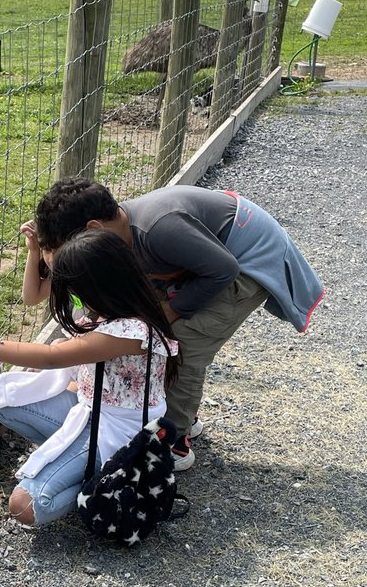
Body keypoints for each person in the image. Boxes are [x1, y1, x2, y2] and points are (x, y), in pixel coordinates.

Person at [29, 177, 324, 471]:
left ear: (93, 229)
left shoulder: (158, 229)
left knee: (179, 342)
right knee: (146, 328)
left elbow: (224, 270)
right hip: (204, 261)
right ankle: (172, 411)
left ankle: (175, 440)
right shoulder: (122, 234)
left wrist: (169, 309)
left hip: (245, 265)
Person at [0, 228, 179, 528]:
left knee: (24, 506)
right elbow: (60, 349)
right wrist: (35, 251)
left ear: (99, 285)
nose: (73, 296)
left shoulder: (131, 331)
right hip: (89, 412)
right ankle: (70, 462)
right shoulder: (106, 310)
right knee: (2, 396)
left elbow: (52, 356)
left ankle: (97, 482)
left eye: (76, 288)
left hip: (117, 435)